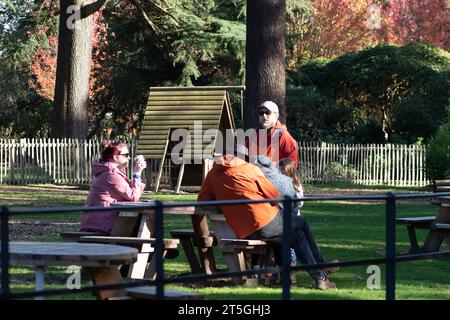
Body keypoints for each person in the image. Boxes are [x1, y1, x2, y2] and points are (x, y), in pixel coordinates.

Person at [198, 146, 337, 290]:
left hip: (245, 230)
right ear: (241, 158)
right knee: (301, 223)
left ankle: (293, 278)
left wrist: (227, 202)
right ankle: (321, 269)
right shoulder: (249, 169)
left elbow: (202, 202)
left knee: (294, 236)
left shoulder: (212, 175)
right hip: (266, 221)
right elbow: (274, 195)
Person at [80, 141, 146, 234]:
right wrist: (137, 174)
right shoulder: (111, 174)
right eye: (126, 155)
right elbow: (133, 196)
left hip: (99, 223)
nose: (129, 158)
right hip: (102, 226)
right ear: (115, 157)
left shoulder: (109, 172)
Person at [247, 101, 298, 167]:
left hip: (275, 176)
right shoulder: (252, 135)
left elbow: (291, 167)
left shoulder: (284, 137)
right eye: (261, 113)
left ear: (276, 115)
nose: (264, 116)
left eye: (268, 113)